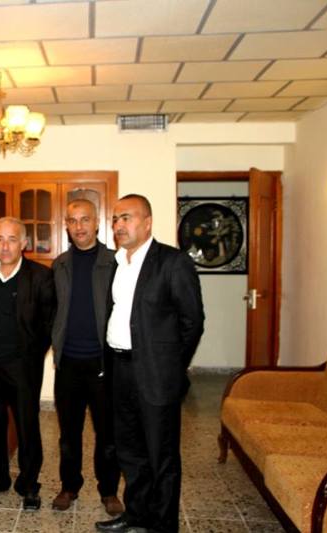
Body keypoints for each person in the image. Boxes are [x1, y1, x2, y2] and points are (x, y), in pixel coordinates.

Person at [96, 194, 204, 533]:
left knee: (161, 456)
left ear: (147, 222)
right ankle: (136, 515)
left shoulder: (172, 262)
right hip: (119, 370)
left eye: (126, 217)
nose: (118, 225)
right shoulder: (118, 263)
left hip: (157, 374)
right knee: (129, 452)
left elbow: (192, 322)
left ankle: (162, 525)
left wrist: (170, 367)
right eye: (115, 219)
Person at [0, 217, 54, 510]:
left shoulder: (41, 276)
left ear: (24, 243)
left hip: (22, 367)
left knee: (27, 427)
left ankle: (29, 484)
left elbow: (48, 325)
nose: (5, 246)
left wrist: (30, 357)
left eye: (12, 239)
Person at [50, 199, 123, 515]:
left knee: (108, 435)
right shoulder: (60, 264)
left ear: (96, 223)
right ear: (66, 225)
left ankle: (109, 491)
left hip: (103, 364)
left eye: (85, 219)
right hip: (67, 363)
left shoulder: (115, 262)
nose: (79, 226)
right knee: (68, 434)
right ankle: (69, 487)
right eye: (72, 220)